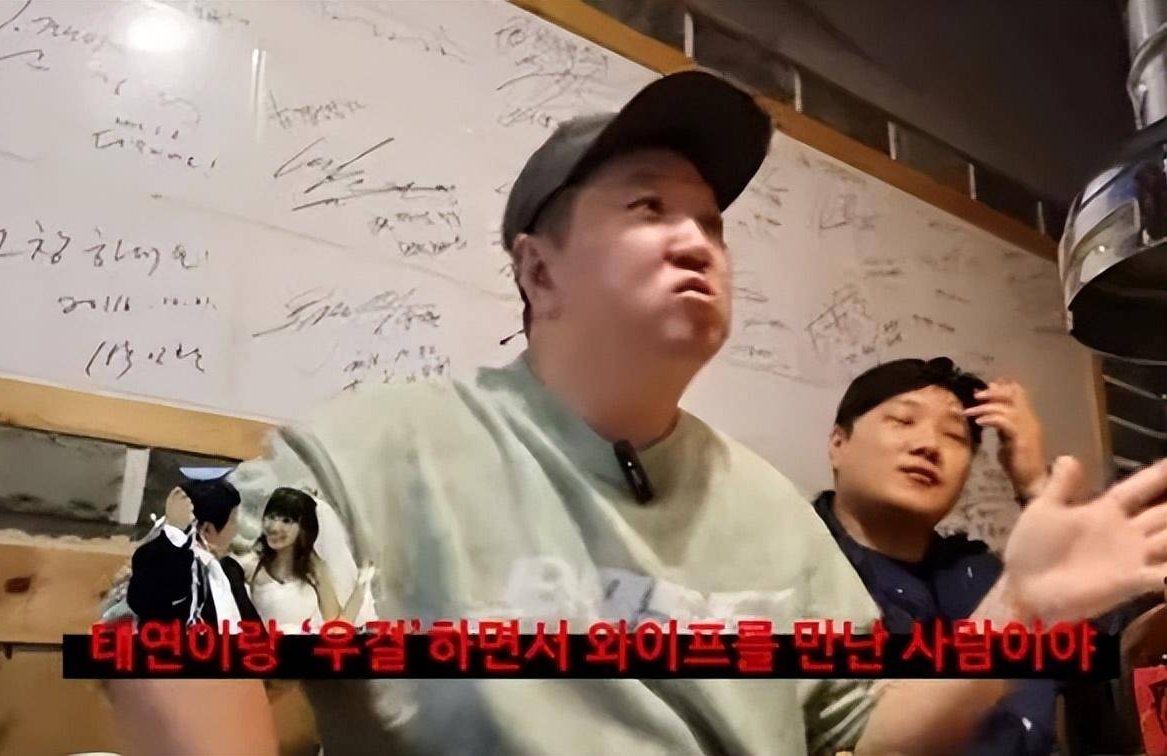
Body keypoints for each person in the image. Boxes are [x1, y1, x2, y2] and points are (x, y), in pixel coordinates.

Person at [108, 68, 1167, 756]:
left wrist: (1017, 614)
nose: (697, 239)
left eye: (713, 222)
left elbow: (855, 728)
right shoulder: (381, 450)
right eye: (649, 206)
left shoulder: (768, 512)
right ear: (540, 269)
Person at [815, 357, 1056, 754]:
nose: (928, 446)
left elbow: (1112, 636)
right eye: (902, 421)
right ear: (838, 444)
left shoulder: (980, 576)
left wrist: (1033, 483)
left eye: (954, 436)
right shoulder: (789, 565)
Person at [125, 476, 262, 629]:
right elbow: (149, 603)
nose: (237, 528)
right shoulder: (154, 558)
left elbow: (254, 627)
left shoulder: (231, 569)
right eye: (233, 520)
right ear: (208, 529)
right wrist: (176, 533)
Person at [242, 486, 372, 632]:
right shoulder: (251, 566)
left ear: (303, 528)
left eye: (286, 520)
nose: (274, 527)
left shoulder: (315, 569)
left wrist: (360, 589)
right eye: (271, 517)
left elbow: (334, 625)